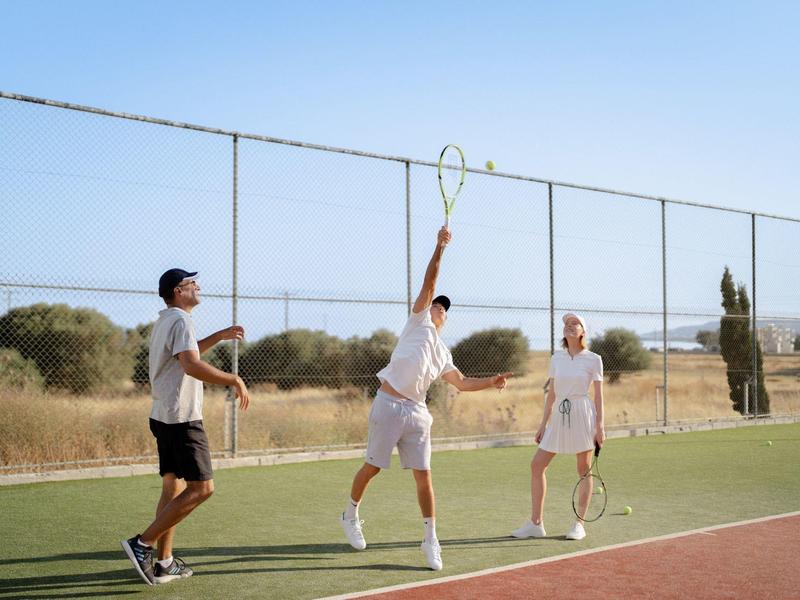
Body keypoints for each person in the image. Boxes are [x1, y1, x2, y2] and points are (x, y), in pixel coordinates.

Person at [340, 227, 513, 571]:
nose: (438, 307)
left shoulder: (443, 352)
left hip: (417, 413)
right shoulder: (417, 322)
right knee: (372, 468)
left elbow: (461, 383)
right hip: (388, 405)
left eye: (443, 308)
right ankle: (350, 514)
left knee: (424, 476)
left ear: (446, 318)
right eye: (435, 304)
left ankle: (430, 539)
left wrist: (491, 382)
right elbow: (430, 283)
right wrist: (440, 247)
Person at [121, 269, 250, 585]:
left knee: (173, 488)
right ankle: (142, 544)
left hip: (163, 414)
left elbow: (183, 355)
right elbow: (190, 365)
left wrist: (217, 336)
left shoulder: (167, 319)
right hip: (182, 418)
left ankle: (164, 563)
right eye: (192, 283)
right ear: (179, 291)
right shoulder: (181, 320)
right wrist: (233, 379)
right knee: (202, 488)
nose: (198, 286)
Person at [511, 312, 605, 541]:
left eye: (575, 323)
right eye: (567, 324)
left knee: (584, 468)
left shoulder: (594, 359)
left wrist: (600, 426)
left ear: (583, 331)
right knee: (537, 465)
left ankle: (579, 524)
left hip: (583, 413)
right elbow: (552, 394)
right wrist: (543, 424)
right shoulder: (556, 358)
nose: (569, 326)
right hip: (559, 417)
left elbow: (599, 396)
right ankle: (536, 524)